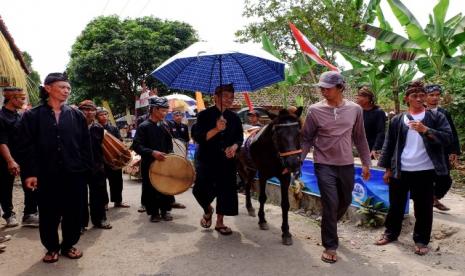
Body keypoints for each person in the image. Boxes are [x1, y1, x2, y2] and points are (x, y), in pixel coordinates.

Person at [16, 72, 92, 263]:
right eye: (62, 87)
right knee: (49, 213)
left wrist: (85, 169)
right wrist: (30, 173)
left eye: (68, 88)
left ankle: (69, 245)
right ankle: (51, 247)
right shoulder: (32, 116)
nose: (67, 91)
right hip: (46, 174)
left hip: (74, 173)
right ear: (48, 88)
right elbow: (26, 147)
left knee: (73, 212)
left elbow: (85, 145)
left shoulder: (76, 115)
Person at [301, 71, 371, 263]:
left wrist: (366, 162)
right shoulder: (314, 110)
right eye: (321, 88)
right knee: (330, 203)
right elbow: (307, 138)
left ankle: (328, 222)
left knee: (345, 200)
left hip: (346, 164)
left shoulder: (355, 109)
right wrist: (299, 159)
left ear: (340, 87)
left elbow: (360, 137)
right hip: (323, 164)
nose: (323, 91)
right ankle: (330, 245)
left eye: (327, 88)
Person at [376, 81, 452, 256]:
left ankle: (421, 240)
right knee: (396, 206)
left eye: (421, 95)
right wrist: (388, 169)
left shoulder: (436, 117)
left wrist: (426, 130)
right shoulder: (397, 120)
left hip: (425, 171)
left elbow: (447, 138)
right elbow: (389, 145)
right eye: (414, 96)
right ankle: (390, 233)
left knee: (424, 208)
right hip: (401, 171)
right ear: (407, 99)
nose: (419, 98)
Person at [192, 83, 243, 235]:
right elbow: (199, 137)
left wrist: (234, 147)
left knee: (225, 191)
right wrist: (216, 129)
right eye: (225, 96)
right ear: (215, 97)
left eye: (231, 97)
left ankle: (220, 223)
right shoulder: (204, 115)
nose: (229, 100)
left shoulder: (234, 118)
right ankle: (208, 210)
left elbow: (239, 138)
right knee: (199, 190)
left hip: (226, 162)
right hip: (206, 160)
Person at [0, 87, 38, 228]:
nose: (24, 101)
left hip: (24, 157)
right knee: (5, 186)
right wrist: (10, 161)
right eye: (21, 98)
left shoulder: (20, 115)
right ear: (12, 99)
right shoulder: (1, 117)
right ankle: (9, 214)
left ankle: (30, 213)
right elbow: (1, 142)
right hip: (6, 158)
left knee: (30, 183)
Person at [132, 97, 175, 222]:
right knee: (151, 187)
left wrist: (171, 154)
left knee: (165, 186)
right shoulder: (143, 127)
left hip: (164, 162)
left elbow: (169, 144)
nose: (165, 113)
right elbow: (136, 146)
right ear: (154, 110)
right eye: (163, 110)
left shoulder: (165, 125)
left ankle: (165, 210)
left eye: (166, 111)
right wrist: (152, 152)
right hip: (149, 163)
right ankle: (154, 213)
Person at [425, 84, 461, 211]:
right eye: (431, 95)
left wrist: (454, 151)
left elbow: (452, 133)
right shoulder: (421, 113)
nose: (435, 98)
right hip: (426, 152)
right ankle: (427, 200)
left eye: (437, 95)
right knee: (427, 178)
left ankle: (434, 198)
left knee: (446, 179)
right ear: (425, 96)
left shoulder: (444, 113)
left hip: (442, 151)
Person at [78, 100, 112, 231]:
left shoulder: (98, 128)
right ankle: (80, 224)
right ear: (80, 112)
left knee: (98, 194)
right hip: (79, 167)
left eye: (92, 110)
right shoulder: (74, 127)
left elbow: (104, 148)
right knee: (80, 197)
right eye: (85, 109)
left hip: (97, 167)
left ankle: (99, 220)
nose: (89, 112)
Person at [96, 107, 130, 208]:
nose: (104, 116)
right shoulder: (95, 128)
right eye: (101, 115)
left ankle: (118, 201)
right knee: (101, 183)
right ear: (97, 117)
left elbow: (119, 141)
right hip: (100, 159)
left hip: (113, 159)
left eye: (106, 114)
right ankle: (104, 203)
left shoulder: (113, 128)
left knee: (117, 181)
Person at [355, 86, 387, 159]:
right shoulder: (358, 111)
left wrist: (375, 149)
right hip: (360, 149)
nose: (357, 97)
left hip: (373, 151)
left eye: (360, 95)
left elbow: (381, 132)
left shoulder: (379, 112)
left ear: (368, 98)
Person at [168, 110, 188, 209]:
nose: (178, 117)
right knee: (169, 177)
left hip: (181, 152)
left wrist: (186, 153)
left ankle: (172, 200)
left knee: (175, 176)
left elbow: (186, 141)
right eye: (176, 115)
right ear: (172, 116)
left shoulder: (184, 127)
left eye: (180, 115)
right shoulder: (169, 125)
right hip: (171, 154)